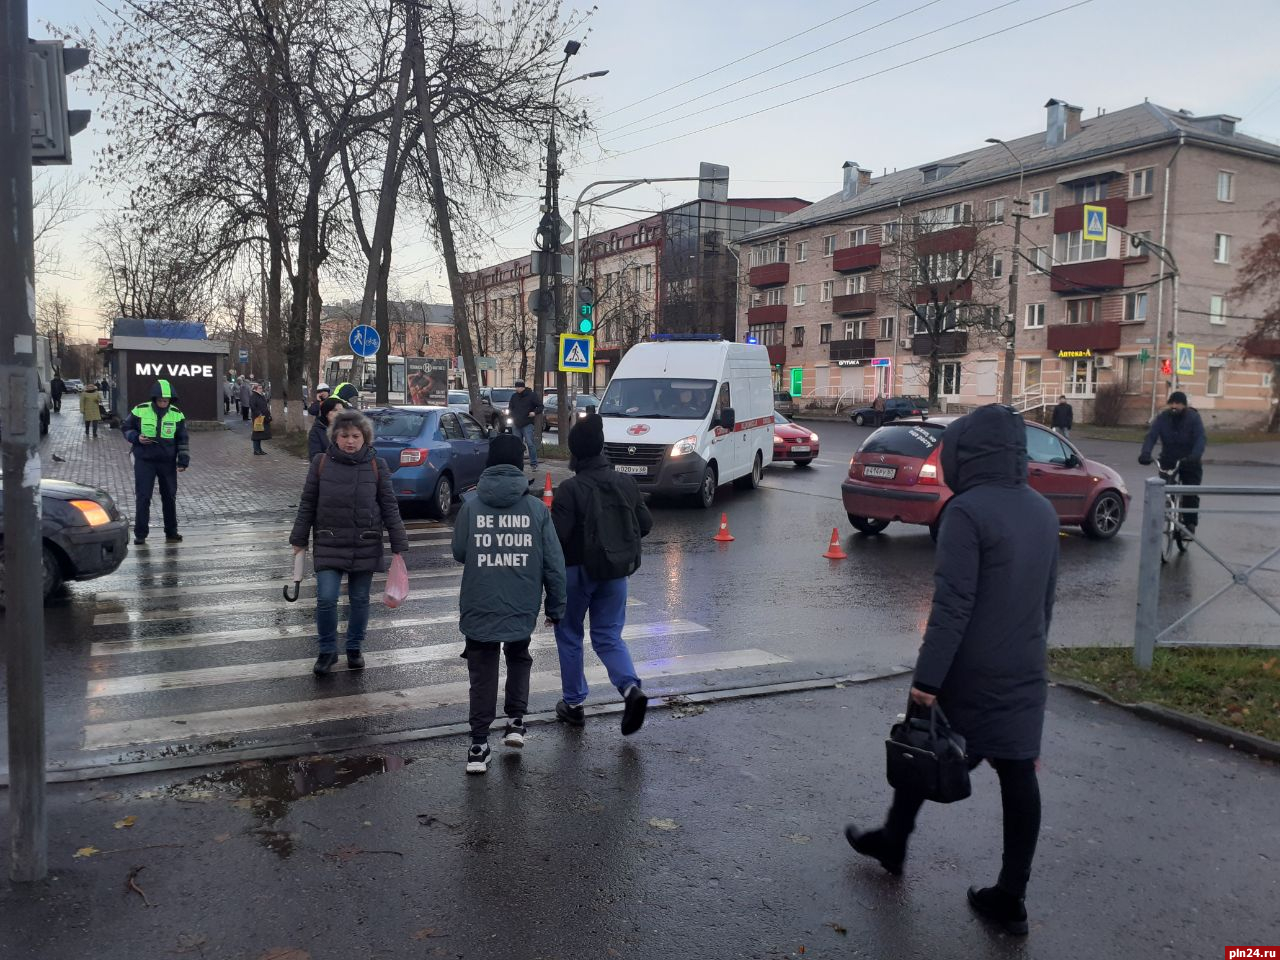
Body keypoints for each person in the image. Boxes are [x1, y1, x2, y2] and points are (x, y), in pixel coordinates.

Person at [844, 404, 1058, 937]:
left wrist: (927, 680)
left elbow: (953, 604)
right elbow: (1046, 600)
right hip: (1025, 665)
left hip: (971, 667)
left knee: (925, 743)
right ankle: (1011, 895)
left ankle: (894, 839)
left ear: (969, 453)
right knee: (1018, 775)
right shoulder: (1043, 510)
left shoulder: (965, 512)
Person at [451, 433, 567, 774]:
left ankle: (478, 745)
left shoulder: (471, 505)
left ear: (489, 464)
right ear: (519, 464)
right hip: (521, 601)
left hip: (479, 601)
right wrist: (555, 607)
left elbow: (460, 551)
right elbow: (553, 564)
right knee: (518, 657)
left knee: (481, 669)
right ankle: (515, 722)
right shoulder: (535, 509)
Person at [550, 413, 653, 736]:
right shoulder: (625, 483)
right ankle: (629, 689)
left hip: (576, 574)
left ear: (575, 453)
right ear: (601, 448)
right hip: (614, 573)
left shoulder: (570, 489)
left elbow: (558, 537)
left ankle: (574, 704)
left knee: (570, 636)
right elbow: (645, 525)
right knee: (608, 636)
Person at [289, 408, 408, 676]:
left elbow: (389, 506)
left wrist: (398, 543)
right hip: (329, 542)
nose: (350, 441)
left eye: (355, 435)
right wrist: (299, 540)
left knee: (359, 599)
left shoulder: (377, 465)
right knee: (327, 598)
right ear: (335, 437)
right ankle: (327, 651)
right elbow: (307, 504)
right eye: (344, 436)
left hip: (365, 543)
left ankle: (354, 648)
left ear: (365, 437)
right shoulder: (321, 463)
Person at [122, 379, 190, 546]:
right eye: (159, 400)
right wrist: (136, 438)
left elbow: (183, 439)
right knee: (143, 496)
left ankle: (171, 533)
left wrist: (183, 460)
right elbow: (126, 428)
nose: (162, 403)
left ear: (170, 400)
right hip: (144, 461)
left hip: (167, 462)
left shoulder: (176, 414)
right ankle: (140, 534)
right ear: (154, 399)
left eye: (165, 400)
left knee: (169, 497)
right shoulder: (140, 411)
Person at [1139, 390, 1206, 535]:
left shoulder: (1193, 418)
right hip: (1168, 459)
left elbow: (1200, 438)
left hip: (1189, 460)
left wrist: (1195, 456)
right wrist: (1145, 453)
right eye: (1172, 403)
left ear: (1184, 405)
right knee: (1162, 489)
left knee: (1190, 491)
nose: (1175, 406)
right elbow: (1151, 436)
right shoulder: (1163, 418)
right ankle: (1162, 517)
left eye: (1178, 403)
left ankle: (1189, 523)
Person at [507, 380, 544, 472]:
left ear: (523, 387)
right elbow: (510, 407)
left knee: (530, 444)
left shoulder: (531, 395)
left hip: (527, 423)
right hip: (516, 423)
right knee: (517, 444)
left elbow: (540, 406)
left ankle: (534, 463)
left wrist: (534, 412)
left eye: (518, 387)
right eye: (516, 387)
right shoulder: (514, 396)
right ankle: (517, 463)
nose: (517, 389)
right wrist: (511, 415)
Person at [309, 392, 347, 460]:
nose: (339, 413)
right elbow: (315, 457)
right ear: (326, 413)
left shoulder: (349, 429)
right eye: (335, 410)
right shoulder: (317, 431)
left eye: (341, 410)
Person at [250, 382, 272, 455]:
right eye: (259, 388)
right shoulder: (254, 396)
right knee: (256, 434)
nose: (261, 389)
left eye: (261, 388)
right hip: (257, 418)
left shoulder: (261, 396)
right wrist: (259, 414)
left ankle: (259, 449)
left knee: (260, 434)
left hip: (263, 417)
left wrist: (268, 415)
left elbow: (265, 406)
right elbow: (253, 407)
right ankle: (256, 450)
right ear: (255, 389)